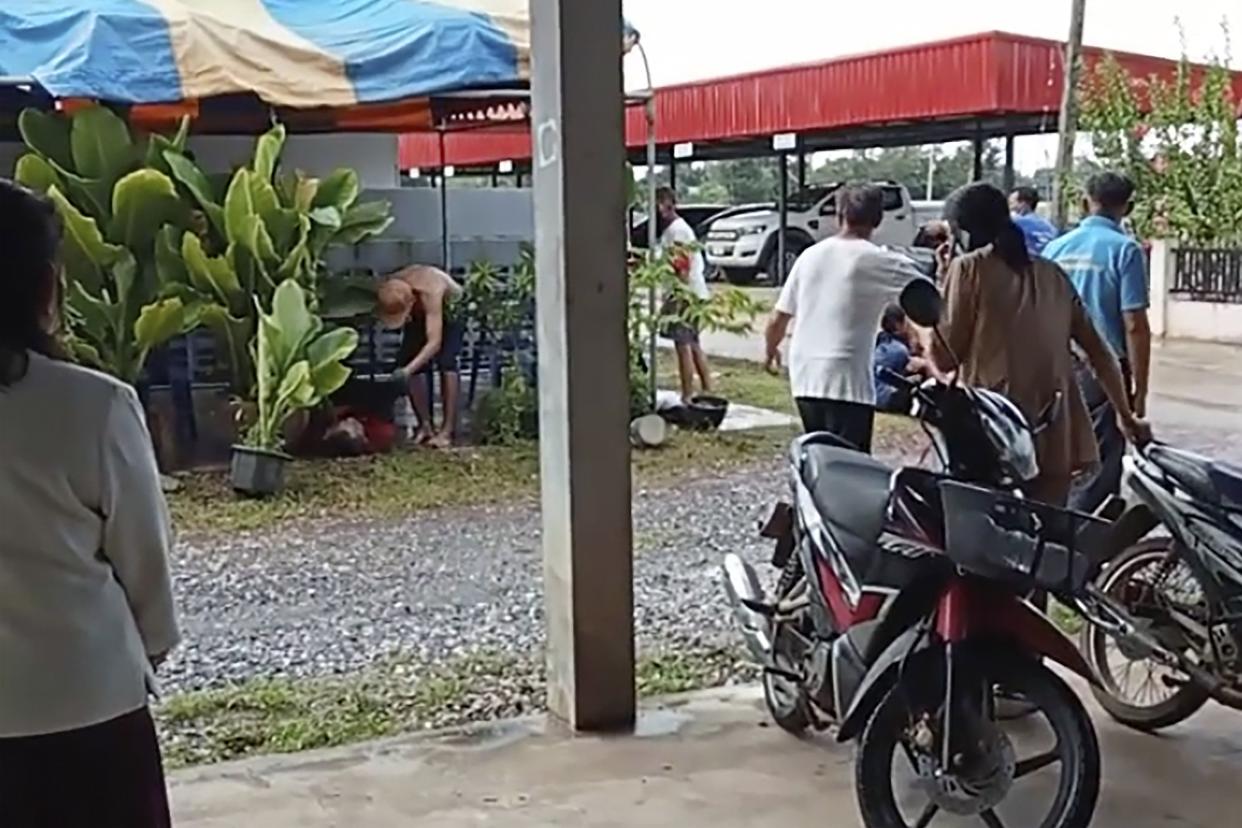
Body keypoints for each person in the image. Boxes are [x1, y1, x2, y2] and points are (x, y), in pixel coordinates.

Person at [0, 180, 179, 827]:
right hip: (89, 708)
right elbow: (144, 562)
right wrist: (148, 650)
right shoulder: (94, 406)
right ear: (47, 287)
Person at [931, 182, 1150, 506]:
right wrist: (1126, 415)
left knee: (987, 539)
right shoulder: (1052, 274)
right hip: (1053, 431)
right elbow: (1101, 354)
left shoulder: (968, 269)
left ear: (961, 233)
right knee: (1049, 537)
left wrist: (939, 287)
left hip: (997, 431)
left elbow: (945, 358)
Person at [764, 184, 928, 452]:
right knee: (852, 468)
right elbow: (926, 295)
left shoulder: (809, 256)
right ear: (878, 219)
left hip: (805, 374)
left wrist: (771, 350)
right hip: (847, 378)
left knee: (821, 458)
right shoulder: (880, 260)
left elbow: (777, 318)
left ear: (839, 215)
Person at [1042, 172, 1152, 513]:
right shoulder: (1126, 251)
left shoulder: (1054, 248)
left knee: (1058, 455)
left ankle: (1051, 536)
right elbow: (1135, 325)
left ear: (1084, 202)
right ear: (1128, 207)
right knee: (1100, 464)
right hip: (1102, 374)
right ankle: (1084, 550)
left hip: (1052, 367)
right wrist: (1137, 395)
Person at [376, 264, 466, 449]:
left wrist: (408, 370)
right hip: (420, 313)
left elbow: (434, 343)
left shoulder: (431, 290)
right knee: (408, 358)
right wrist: (408, 367)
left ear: (412, 302)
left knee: (446, 362)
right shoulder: (393, 284)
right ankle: (424, 425)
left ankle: (447, 430)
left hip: (450, 311)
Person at [655, 186, 713, 401]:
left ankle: (687, 394)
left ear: (666, 205)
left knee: (683, 344)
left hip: (684, 294)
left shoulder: (677, 231)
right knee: (694, 343)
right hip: (694, 292)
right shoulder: (676, 229)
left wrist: (676, 294)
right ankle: (707, 388)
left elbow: (682, 264)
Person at [873, 304, 933, 414]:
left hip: (872, 396)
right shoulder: (899, 350)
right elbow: (913, 366)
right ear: (899, 324)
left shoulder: (881, 341)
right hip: (885, 398)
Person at [1009, 185, 1059, 257]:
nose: (1010, 207)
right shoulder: (1050, 227)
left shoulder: (1016, 223)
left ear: (1024, 204)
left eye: (1011, 203)